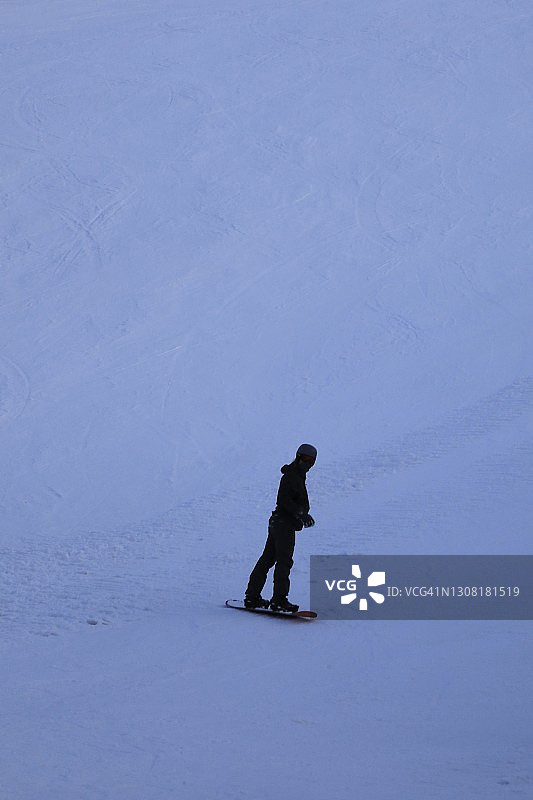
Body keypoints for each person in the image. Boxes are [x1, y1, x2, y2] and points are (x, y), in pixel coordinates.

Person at [245, 443, 317, 613]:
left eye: (312, 461)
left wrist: (301, 514)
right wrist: (301, 513)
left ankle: (252, 596)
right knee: (284, 560)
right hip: (283, 523)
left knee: (268, 559)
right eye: (306, 459)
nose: (308, 463)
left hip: (280, 523)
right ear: (298, 456)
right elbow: (284, 500)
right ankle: (279, 599)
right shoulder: (292, 476)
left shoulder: (297, 476)